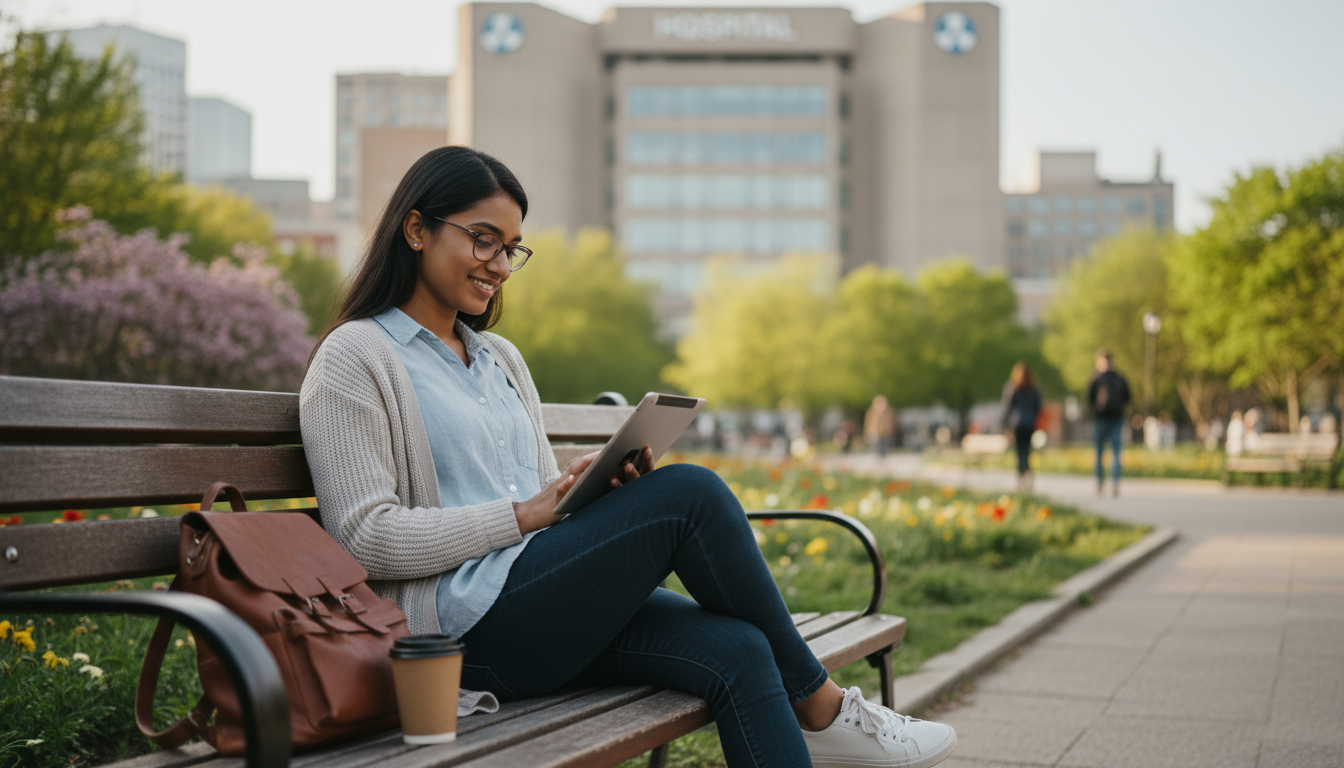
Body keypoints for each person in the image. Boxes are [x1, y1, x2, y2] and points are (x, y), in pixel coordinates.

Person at [299, 147, 957, 768]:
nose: (499, 264)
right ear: (416, 229)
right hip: (458, 638)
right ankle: (825, 708)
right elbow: (364, 539)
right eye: (482, 239)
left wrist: (588, 498)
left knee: (741, 650)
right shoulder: (356, 358)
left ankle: (821, 719)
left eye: (511, 248)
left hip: (540, 600)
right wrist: (525, 515)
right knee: (690, 495)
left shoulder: (499, 359)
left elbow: (532, 499)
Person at [1086, 350, 1131, 497]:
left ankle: (1100, 483)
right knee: (1116, 452)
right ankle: (1115, 482)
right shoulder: (1120, 378)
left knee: (1099, 453)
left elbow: (1089, 399)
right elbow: (1128, 398)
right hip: (1116, 418)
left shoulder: (1095, 378)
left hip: (1101, 419)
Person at [1000, 361, 1042, 492]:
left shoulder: (1013, 386)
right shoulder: (1033, 388)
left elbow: (1007, 407)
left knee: (1019, 452)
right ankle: (1027, 473)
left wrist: (1005, 424)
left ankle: (1022, 476)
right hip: (1029, 423)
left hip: (1017, 423)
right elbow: (1038, 407)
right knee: (1027, 450)